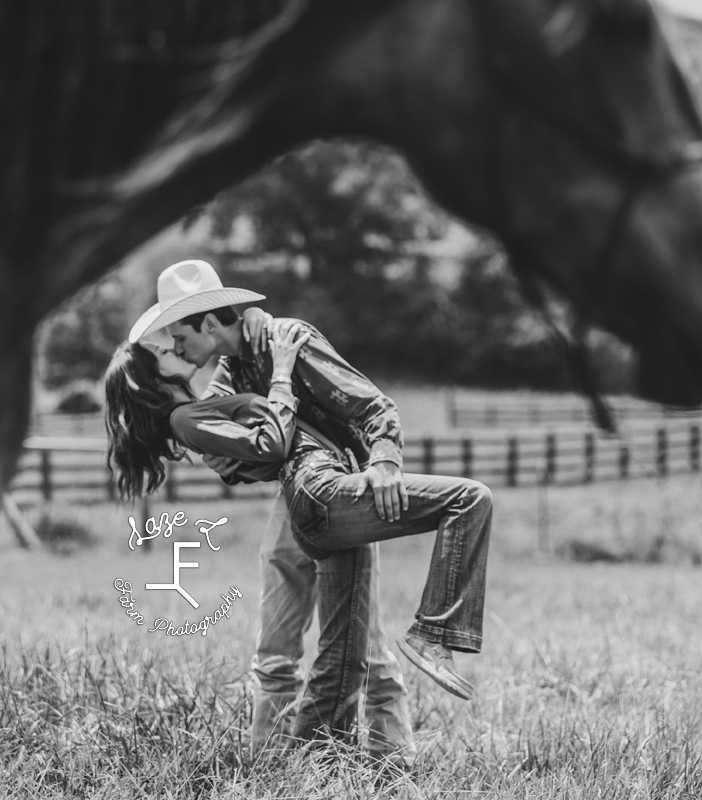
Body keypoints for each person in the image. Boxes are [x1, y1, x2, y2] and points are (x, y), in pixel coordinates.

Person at [104, 260, 494, 757]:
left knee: (360, 638)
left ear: (207, 323)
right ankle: (275, 758)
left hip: (336, 485)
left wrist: (385, 462)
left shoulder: (289, 340)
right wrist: (226, 449)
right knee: (283, 641)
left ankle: (386, 756)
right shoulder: (229, 372)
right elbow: (234, 449)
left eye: (179, 337)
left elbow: (375, 407)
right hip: (296, 496)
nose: (177, 349)